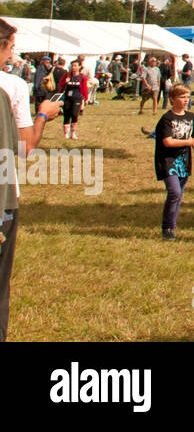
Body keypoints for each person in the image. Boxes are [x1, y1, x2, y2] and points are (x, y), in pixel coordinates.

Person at [0, 19, 58, 341]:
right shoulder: (13, 87)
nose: (12, 55)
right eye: (11, 48)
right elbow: (25, 146)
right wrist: (43, 115)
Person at [155, 84, 194, 240]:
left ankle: (171, 226)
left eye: (187, 97)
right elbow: (167, 142)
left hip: (183, 162)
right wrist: (188, 142)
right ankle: (167, 227)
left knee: (178, 196)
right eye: (182, 97)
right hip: (168, 161)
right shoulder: (167, 118)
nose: (186, 100)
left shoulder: (190, 117)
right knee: (174, 192)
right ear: (172, 99)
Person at [57, 59, 89, 140]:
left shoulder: (82, 77)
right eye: (72, 66)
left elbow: (84, 88)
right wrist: (65, 82)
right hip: (67, 98)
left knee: (75, 115)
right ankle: (66, 134)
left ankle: (73, 133)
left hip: (77, 98)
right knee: (66, 115)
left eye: (75, 66)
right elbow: (60, 85)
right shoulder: (67, 75)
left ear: (79, 67)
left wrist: (86, 99)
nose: (73, 67)